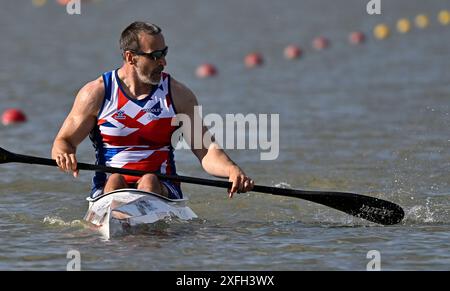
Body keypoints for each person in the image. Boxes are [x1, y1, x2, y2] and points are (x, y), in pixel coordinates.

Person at [51, 21, 254, 199]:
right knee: (115, 181)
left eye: (164, 53)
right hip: (107, 189)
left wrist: (231, 169)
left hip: (162, 188)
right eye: (155, 56)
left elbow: (206, 151)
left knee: (149, 180)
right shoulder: (96, 93)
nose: (163, 62)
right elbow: (64, 141)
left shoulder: (178, 95)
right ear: (131, 58)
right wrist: (64, 153)